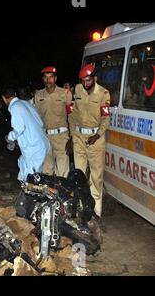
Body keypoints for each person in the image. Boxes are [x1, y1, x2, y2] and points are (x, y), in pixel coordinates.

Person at [68, 63, 110, 222]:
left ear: (94, 78)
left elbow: (106, 119)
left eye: (88, 80)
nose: (86, 84)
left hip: (95, 142)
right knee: (78, 176)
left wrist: (98, 135)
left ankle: (95, 215)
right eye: (83, 81)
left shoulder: (103, 93)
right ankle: (80, 211)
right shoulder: (78, 90)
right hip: (78, 137)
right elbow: (73, 114)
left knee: (96, 178)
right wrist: (72, 137)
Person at [2, 87, 49, 181]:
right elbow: (40, 123)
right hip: (42, 143)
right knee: (25, 169)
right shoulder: (26, 103)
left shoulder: (15, 107)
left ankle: (30, 195)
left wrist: (9, 137)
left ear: (4, 98)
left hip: (33, 148)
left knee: (30, 178)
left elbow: (19, 129)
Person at [34, 66, 73, 178]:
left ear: (55, 79)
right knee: (46, 170)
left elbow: (71, 117)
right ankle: (48, 194)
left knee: (62, 171)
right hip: (45, 136)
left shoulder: (65, 93)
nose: (48, 80)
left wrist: (71, 138)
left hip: (62, 136)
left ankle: (62, 194)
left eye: (51, 77)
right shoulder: (38, 95)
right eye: (45, 77)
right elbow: (36, 118)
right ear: (43, 79)